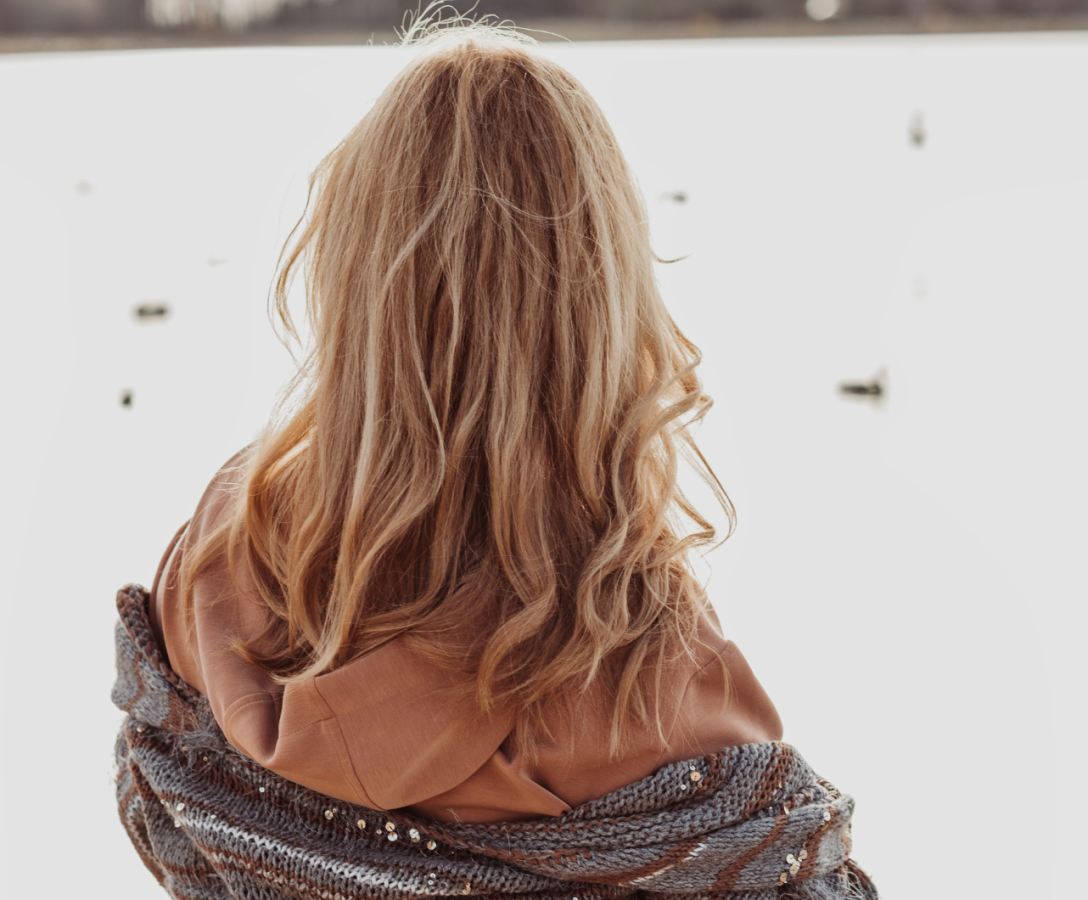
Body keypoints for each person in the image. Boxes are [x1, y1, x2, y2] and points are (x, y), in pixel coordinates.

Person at [113, 18, 875, 900]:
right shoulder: (645, 672)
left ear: (352, 274)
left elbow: (153, 784)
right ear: (603, 297)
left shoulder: (219, 560)